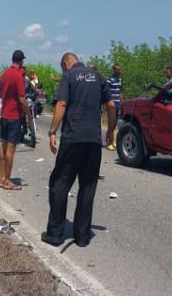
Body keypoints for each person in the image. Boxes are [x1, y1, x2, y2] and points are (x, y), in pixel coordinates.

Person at [42, 52, 115, 247]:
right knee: (87, 186)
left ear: (66, 64)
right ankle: (82, 236)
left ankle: (55, 233)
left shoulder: (69, 76)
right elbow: (111, 104)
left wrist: (52, 131)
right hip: (93, 141)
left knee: (60, 183)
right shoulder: (98, 76)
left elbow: (62, 103)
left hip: (73, 139)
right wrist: (111, 131)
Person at [0, 50, 32, 190]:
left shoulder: (4, 74)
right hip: (13, 116)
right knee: (11, 149)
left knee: (3, 147)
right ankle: (7, 180)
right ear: (22, 61)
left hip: (4, 115)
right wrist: (29, 115)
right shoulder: (18, 75)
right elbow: (22, 98)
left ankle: (1, 178)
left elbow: (0, 94)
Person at [105, 64, 123, 150]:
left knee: (115, 124)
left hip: (118, 103)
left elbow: (120, 91)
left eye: (120, 70)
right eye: (118, 70)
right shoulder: (109, 79)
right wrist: (108, 102)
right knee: (111, 124)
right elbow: (106, 92)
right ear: (114, 70)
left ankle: (110, 140)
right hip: (111, 104)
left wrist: (122, 102)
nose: (119, 71)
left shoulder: (119, 79)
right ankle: (109, 143)